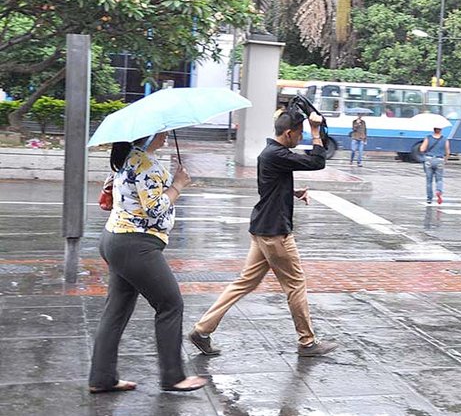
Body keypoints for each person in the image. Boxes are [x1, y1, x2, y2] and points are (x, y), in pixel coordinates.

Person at [189, 109, 339, 357]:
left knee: (244, 283)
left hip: (262, 230)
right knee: (295, 284)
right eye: (299, 133)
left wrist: (292, 192)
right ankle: (307, 342)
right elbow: (317, 162)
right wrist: (316, 132)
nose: (301, 138)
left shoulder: (270, 153)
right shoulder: (277, 154)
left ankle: (202, 330)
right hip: (275, 233)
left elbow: (270, 186)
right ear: (288, 133)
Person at [89, 133, 206, 393]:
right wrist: (178, 185)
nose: (165, 134)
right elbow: (155, 210)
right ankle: (173, 377)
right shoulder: (146, 164)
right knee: (170, 304)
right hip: (136, 245)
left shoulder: (127, 158)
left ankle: (101, 377)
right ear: (149, 134)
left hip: (115, 241)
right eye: (161, 131)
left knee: (116, 310)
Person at [419, 127, 450, 205]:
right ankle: (438, 191)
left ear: (434, 130)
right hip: (440, 160)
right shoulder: (445, 139)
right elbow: (447, 152)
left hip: (429, 159)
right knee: (439, 179)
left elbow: (422, 149)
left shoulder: (428, 138)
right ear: (441, 130)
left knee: (429, 181)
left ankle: (429, 199)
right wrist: (445, 160)